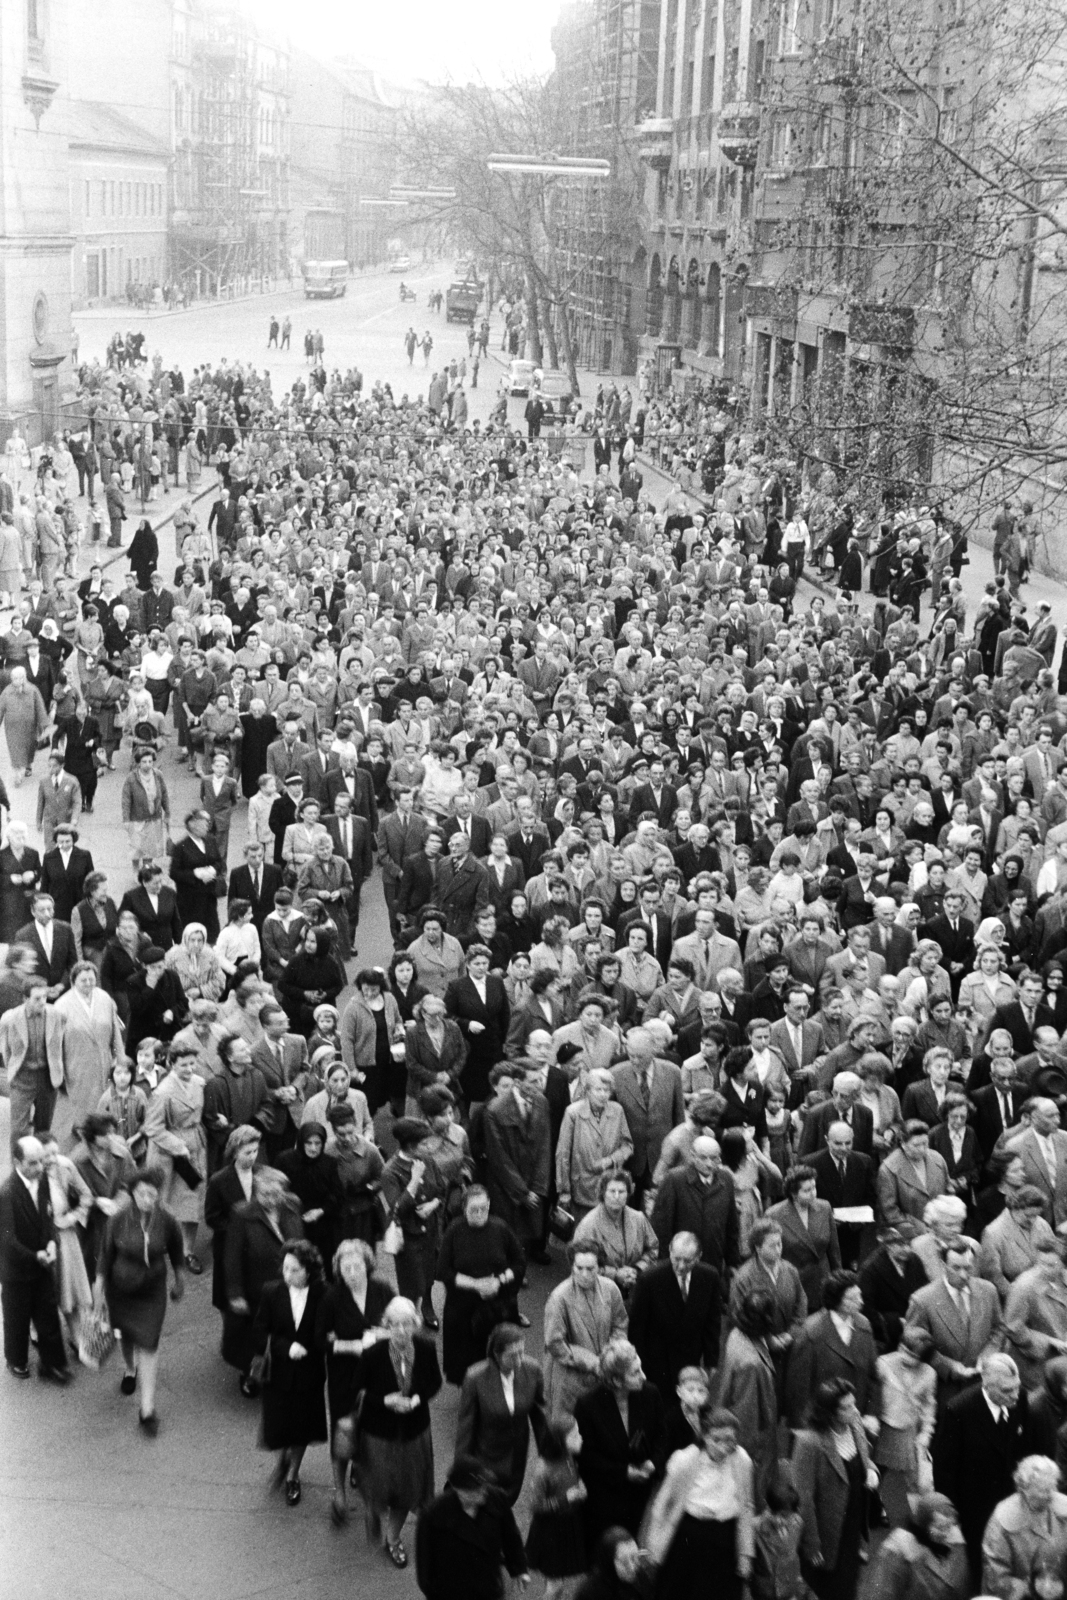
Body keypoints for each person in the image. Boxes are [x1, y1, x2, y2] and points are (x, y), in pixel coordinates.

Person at [95, 1163, 185, 1433]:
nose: (149, 1199)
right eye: (143, 1193)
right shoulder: (118, 1220)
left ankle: (147, 1409)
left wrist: (180, 1282)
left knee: (148, 1342)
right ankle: (129, 1369)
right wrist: (98, 1291)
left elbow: (178, 1252)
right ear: (132, 1192)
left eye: (153, 1194)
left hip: (151, 1291)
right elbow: (105, 1257)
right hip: (120, 1290)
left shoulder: (167, 1219)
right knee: (125, 1335)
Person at [358, 1294, 442, 1568]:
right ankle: (372, 1510)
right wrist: (385, 1400)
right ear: (386, 1325)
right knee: (378, 1484)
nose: (402, 1331)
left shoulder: (427, 1348)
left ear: (416, 1325)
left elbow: (434, 1382)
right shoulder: (372, 1354)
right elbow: (357, 1390)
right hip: (379, 1433)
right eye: (395, 1325)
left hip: (414, 1431)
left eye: (407, 1324)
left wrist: (418, 1399)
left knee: (407, 1490)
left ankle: (392, 1539)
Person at [932, 1351, 1032, 1583]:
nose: (1015, 1396)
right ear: (986, 1385)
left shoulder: (1021, 1398)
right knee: (979, 1567)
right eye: (1007, 1391)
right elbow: (944, 1467)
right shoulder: (959, 1409)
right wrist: (949, 1512)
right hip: (974, 1506)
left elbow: (1023, 1447)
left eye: (1016, 1387)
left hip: (1009, 1500)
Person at [316, 1236, 392, 1526]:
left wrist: (382, 1335)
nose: (351, 1272)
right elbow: (320, 1339)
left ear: (367, 1264)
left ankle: (370, 1490)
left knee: (372, 1433)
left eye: (356, 1265)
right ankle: (340, 1492)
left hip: (375, 1377)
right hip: (344, 1378)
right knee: (343, 1431)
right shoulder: (332, 1297)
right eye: (345, 1267)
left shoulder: (382, 1289)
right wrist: (351, 1345)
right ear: (338, 1269)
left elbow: (398, 1322)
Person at [644, 1404, 756, 1600]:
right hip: (689, 1539)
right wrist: (655, 1548)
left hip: (725, 1539)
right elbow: (661, 1506)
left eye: (729, 1440)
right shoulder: (685, 1460)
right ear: (704, 1436)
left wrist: (745, 1554)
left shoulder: (742, 1461)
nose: (723, 1447)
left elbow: (747, 1507)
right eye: (716, 1440)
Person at [251, 1238, 328, 1506]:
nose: (288, 1275)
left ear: (309, 1270)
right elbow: (260, 1333)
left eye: (295, 1269)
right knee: (279, 1424)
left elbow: (326, 1330)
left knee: (302, 1427)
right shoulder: (271, 1292)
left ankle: (293, 1474)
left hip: (309, 1373)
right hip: (279, 1373)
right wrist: (286, 1347)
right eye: (285, 1268)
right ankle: (282, 1457)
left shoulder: (322, 1293)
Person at [792, 1378, 879, 1600]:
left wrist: (871, 1470)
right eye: (846, 1407)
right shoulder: (809, 1442)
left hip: (851, 1526)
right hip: (825, 1532)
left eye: (854, 1404)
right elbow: (803, 1499)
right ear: (829, 1412)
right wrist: (811, 1544)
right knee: (827, 1588)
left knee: (848, 1586)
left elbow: (864, 1457)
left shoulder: (855, 1423)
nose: (854, 1411)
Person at [574, 1338, 667, 1540]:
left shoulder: (650, 1394)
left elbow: (662, 1437)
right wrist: (624, 1472)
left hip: (640, 1494)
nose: (643, 1376)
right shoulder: (588, 1405)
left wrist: (653, 1463)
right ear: (616, 1380)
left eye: (640, 1368)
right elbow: (586, 1456)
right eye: (635, 1372)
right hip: (604, 1496)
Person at [223, 1167, 305, 1394]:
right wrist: (235, 1293)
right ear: (256, 1193)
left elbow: (302, 1244)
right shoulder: (242, 1214)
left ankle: (282, 1373)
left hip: (290, 1285)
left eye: (276, 1194)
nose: (270, 1200)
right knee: (256, 1336)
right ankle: (252, 1373)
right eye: (264, 1195)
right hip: (256, 1287)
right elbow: (232, 1257)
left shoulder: (292, 1205)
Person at [436, 1184, 526, 1385]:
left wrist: (498, 1281)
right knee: (467, 1364)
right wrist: (476, 1284)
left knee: (500, 1356)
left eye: (483, 1209)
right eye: (473, 1210)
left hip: (498, 1306)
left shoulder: (500, 1228)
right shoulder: (454, 1231)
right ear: (464, 1208)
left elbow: (519, 1262)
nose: (479, 1214)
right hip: (463, 1309)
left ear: (489, 1205)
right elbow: (444, 1271)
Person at [0, 1135, 70, 1382]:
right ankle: (16, 1360)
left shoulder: (42, 1183)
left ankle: (52, 1364)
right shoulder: (7, 1193)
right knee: (17, 1319)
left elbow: (47, 1219)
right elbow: (7, 1240)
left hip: (42, 1263)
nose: (40, 1167)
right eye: (33, 1163)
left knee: (48, 1313)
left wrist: (51, 1241)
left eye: (41, 1161)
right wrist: (35, 1255)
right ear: (18, 1162)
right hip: (16, 1271)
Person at [455, 1321, 547, 1505]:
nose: (520, 1360)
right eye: (512, 1356)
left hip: (517, 1458)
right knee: (487, 1507)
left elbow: (540, 1416)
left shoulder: (533, 1370)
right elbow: (466, 1428)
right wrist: (462, 1471)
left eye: (522, 1352)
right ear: (496, 1355)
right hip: (486, 1458)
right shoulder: (475, 1378)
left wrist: (548, 1455)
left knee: (507, 1502)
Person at [415, 1454, 529, 1600]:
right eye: (475, 1489)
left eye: (483, 1485)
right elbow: (424, 1567)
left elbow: (511, 1537)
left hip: (488, 1588)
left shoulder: (497, 1499)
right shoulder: (433, 1515)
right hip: (452, 1593)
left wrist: (519, 1569)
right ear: (458, 1489)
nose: (484, 1491)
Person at [628, 1229, 722, 1400]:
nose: (680, 1266)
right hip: (657, 1364)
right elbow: (637, 1329)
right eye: (676, 1259)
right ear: (669, 1251)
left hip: (690, 1360)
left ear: (698, 1256)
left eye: (687, 1261)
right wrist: (638, 1367)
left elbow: (712, 1322)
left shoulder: (709, 1277)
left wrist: (711, 1361)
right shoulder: (650, 1279)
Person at [543, 1240, 628, 1421]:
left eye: (591, 1269)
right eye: (579, 1268)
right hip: (570, 1375)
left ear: (600, 1268)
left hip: (604, 1371)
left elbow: (620, 1323)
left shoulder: (611, 1289)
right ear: (572, 1266)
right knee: (569, 1427)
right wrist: (593, 1363)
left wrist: (610, 1354)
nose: (584, 1274)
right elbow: (555, 1343)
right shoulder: (559, 1298)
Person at [785, 1270, 879, 1429]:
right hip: (821, 1426)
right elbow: (798, 1391)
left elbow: (873, 1376)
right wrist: (804, 1430)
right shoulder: (810, 1333)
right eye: (852, 1298)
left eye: (859, 1295)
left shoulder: (864, 1326)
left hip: (855, 1423)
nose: (861, 1302)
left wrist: (871, 1413)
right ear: (836, 1300)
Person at [143, 1044, 207, 1271]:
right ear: (171, 1064)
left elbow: (201, 1114)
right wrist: (178, 1146)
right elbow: (152, 1128)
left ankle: (187, 1251)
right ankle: (152, 1247)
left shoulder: (199, 1083)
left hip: (195, 1148)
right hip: (168, 1155)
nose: (190, 1069)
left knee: (192, 1202)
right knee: (164, 1204)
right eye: (183, 1065)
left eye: (192, 1063)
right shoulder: (163, 1092)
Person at [717, 1287, 782, 1504]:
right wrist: (750, 1457)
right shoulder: (752, 1365)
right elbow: (746, 1418)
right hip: (756, 1443)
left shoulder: (738, 1333)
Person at [650, 1137, 740, 1280]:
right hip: (681, 1264)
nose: (709, 1164)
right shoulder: (674, 1180)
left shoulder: (726, 1180)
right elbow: (661, 1227)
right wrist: (665, 1265)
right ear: (692, 1156)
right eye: (703, 1158)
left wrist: (732, 1262)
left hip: (713, 1262)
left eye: (714, 1158)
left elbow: (732, 1226)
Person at [981, 1455, 1067, 1599]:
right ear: (1023, 1488)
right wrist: (1037, 1588)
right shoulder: (1003, 1518)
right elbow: (996, 1576)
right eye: (1042, 1490)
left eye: (1052, 1487)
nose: (1049, 1495)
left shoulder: (1064, 1507)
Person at [556, 1068, 633, 1223]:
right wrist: (564, 1192)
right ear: (588, 1091)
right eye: (598, 1089)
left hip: (610, 1188)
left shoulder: (617, 1111)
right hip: (581, 1189)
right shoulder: (573, 1113)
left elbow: (628, 1146)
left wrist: (611, 1160)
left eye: (607, 1090)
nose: (603, 1094)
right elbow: (562, 1154)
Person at [524, 1418, 590, 1599]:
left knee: (557, 1586)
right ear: (561, 1441)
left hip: (567, 1524)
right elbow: (535, 1506)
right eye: (575, 1435)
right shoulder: (543, 1469)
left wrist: (579, 1486)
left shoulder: (568, 1456)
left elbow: (571, 1476)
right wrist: (565, 1499)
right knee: (555, 1587)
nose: (581, 1438)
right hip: (550, 1531)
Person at [573, 1171, 659, 1305]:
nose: (617, 1196)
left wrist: (637, 1269)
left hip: (635, 1294)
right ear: (603, 1193)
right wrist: (615, 1274)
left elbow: (653, 1249)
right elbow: (578, 1264)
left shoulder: (639, 1219)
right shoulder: (589, 1225)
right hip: (599, 1297)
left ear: (629, 1193)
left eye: (622, 1191)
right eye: (612, 1191)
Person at [865, 1493, 969, 1600]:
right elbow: (881, 1594)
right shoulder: (899, 1550)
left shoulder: (956, 1543)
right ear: (925, 1524)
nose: (945, 1534)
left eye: (949, 1526)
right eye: (939, 1528)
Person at [765, 1165, 841, 1311]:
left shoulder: (824, 1207)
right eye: (807, 1190)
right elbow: (772, 1254)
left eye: (814, 1187)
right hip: (794, 1281)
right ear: (793, 1194)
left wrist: (838, 1280)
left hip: (821, 1280)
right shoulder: (774, 1215)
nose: (813, 1193)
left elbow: (834, 1250)